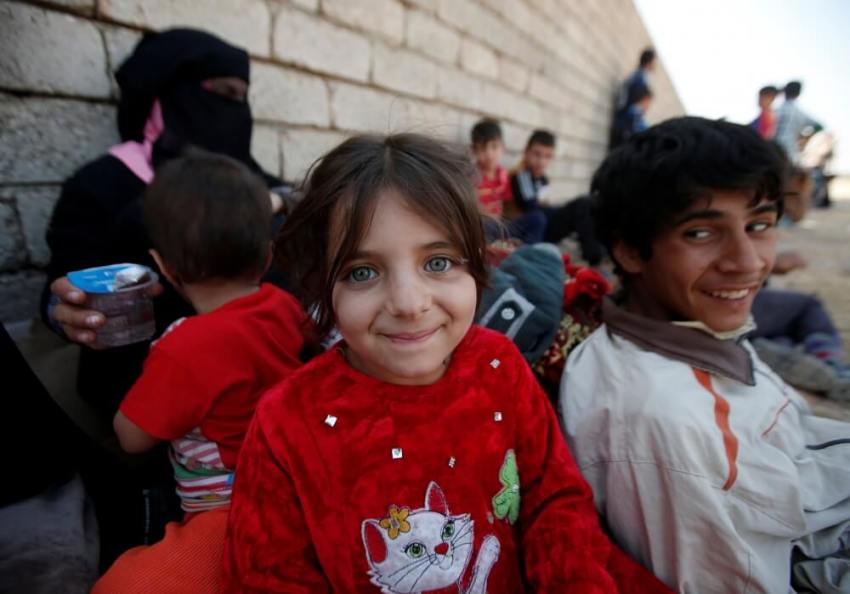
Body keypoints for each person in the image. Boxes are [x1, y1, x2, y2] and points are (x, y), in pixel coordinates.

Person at [221, 133, 671, 592]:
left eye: (437, 262)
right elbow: (268, 577)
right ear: (322, 287)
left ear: (476, 264)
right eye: (362, 272)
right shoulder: (286, 425)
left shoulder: (499, 365)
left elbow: (554, 499)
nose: (409, 302)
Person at [559, 117, 850, 592]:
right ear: (631, 251)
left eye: (759, 225)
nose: (748, 261)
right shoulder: (666, 422)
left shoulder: (693, 328)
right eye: (700, 233)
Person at [91, 151, 308, 593]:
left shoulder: (181, 349)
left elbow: (132, 437)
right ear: (268, 256)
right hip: (298, 482)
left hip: (229, 512)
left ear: (164, 266)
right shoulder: (284, 307)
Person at [41, 28, 287, 417]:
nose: (237, 113)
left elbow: (308, 203)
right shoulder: (103, 185)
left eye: (242, 98)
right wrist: (67, 309)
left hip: (266, 395)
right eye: (224, 95)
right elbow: (62, 288)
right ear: (167, 97)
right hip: (151, 402)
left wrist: (278, 201)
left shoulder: (255, 181)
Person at [503, 129, 554, 243]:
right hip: (514, 226)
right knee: (539, 217)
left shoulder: (543, 179)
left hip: (535, 226)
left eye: (547, 156)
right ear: (526, 151)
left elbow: (544, 203)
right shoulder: (519, 173)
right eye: (537, 154)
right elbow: (530, 207)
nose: (541, 161)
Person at [471, 118, 512, 219]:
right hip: (482, 224)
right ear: (474, 150)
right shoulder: (472, 176)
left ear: (503, 147)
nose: (489, 154)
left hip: (500, 224)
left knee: (536, 218)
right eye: (482, 148)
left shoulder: (503, 174)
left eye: (494, 146)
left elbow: (507, 204)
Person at [774, 80, 822, 166]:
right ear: (798, 93)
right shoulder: (800, 113)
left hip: (772, 149)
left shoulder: (775, 111)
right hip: (790, 153)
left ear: (784, 92)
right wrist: (805, 138)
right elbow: (820, 126)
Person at [610, 84, 651, 149]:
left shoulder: (631, 112)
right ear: (645, 99)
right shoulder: (634, 113)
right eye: (648, 103)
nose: (648, 106)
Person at [616, 47, 655, 112]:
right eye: (654, 62)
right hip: (628, 115)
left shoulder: (639, 75)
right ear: (649, 63)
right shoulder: (640, 77)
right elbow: (634, 102)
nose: (655, 65)